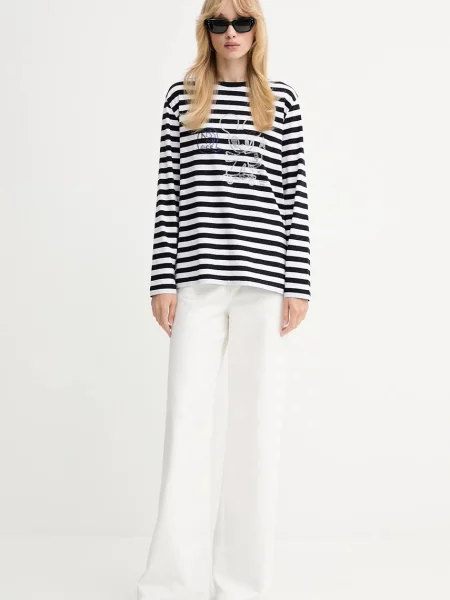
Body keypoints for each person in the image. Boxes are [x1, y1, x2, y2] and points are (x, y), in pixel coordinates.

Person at [137, 0, 311, 598]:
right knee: (187, 423)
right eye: (219, 22)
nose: (231, 32)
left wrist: (298, 284)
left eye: (243, 22)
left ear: (258, 29)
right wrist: (161, 280)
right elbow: (168, 193)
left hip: (266, 285)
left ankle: (241, 583)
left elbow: (295, 196)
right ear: (205, 30)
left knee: (256, 429)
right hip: (197, 283)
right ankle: (172, 581)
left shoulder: (280, 102)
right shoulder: (182, 99)